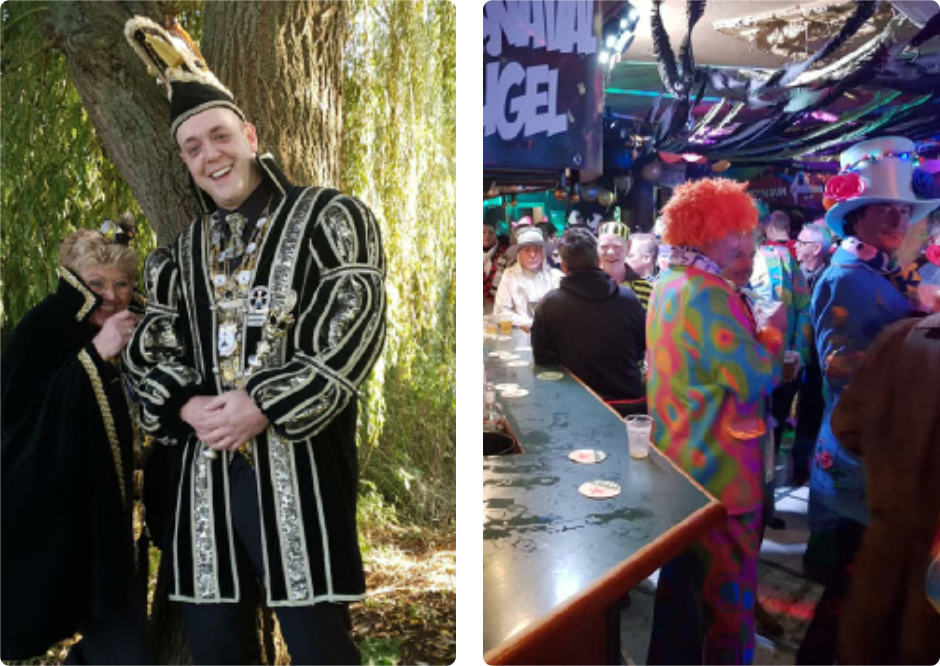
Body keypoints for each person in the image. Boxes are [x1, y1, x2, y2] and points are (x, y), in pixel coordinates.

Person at [123, 17, 386, 665]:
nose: (209, 155)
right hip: (203, 492)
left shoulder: (331, 217)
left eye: (219, 136)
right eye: (192, 148)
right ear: (184, 162)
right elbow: (149, 350)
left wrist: (261, 403)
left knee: (322, 649)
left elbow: (353, 323)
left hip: (301, 477)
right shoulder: (175, 257)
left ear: (250, 135)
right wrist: (185, 406)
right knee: (216, 653)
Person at [797, 136, 940, 666]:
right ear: (856, 216)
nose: (899, 220)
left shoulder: (877, 273)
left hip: (873, 470)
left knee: (857, 601)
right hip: (858, 468)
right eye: (887, 209)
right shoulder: (848, 278)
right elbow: (843, 375)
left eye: (905, 211)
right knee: (844, 600)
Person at [645, 178, 786, 665]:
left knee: (682, 593)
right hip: (724, 476)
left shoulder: (667, 283)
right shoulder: (710, 295)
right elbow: (754, 380)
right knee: (729, 602)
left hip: (681, 463)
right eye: (738, 234)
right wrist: (773, 335)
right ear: (710, 234)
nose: (745, 245)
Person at [0, 221, 150, 664]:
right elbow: (20, 424)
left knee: (118, 633)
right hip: (63, 512)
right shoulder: (42, 328)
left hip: (121, 517)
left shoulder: (140, 325)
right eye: (97, 283)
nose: (111, 294)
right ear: (73, 282)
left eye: (121, 283)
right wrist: (93, 355)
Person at [825, 313, 940, 666]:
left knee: (866, 622)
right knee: (923, 635)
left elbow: (846, 425)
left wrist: (887, 464)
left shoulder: (902, 335)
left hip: (888, 516)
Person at [531, 227, 646, 417]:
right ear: (598, 261)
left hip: (575, 407)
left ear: (564, 267)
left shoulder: (549, 305)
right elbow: (640, 348)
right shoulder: (629, 298)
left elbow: (544, 363)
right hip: (630, 405)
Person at [790, 222, 833, 486]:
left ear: (816, 248)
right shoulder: (793, 274)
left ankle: (804, 470)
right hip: (792, 359)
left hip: (818, 364)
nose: (795, 245)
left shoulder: (830, 280)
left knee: (811, 413)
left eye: (802, 242)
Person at [493, 226, 561, 329]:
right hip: (518, 339)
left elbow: (564, 310)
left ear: (543, 252)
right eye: (527, 250)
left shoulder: (556, 276)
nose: (532, 254)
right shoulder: (510, 275)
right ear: (519, 254)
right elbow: (500, 311)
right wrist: (528, 323)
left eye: (537, 250)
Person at [597, 221, 653, 309]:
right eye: (604, 247)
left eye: (617, 247)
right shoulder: (588, 284)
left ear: (628, 247)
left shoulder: (645, 288)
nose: (610, 252)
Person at [483, 219, 510, 313]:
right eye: (483, 232)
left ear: (495, 235)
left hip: (500, 303)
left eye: (490, 233)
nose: (487, 235)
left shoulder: (506, 253)